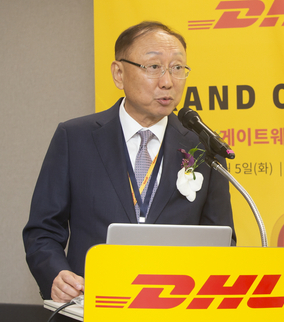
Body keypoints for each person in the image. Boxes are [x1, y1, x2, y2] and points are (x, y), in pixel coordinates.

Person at [22, 21, 236, 302]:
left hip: (175, 309)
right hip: (93, 305)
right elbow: (43, 230)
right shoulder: (75, 138)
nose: (167, 81)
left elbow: (222, 240)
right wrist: (55, 275)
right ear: (119, 73)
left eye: (177, 68)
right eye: (154, 67)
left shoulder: (204, 149)